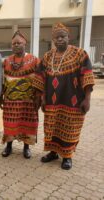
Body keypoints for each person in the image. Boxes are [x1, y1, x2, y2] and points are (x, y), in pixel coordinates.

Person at [35, 23, 94, 170]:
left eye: (63, 36)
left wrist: (87, 99)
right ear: (53, 39)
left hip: (73, 102)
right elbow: (40, 77)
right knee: (51, 127)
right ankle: (53, 152)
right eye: (57, 37)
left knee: (69, 128)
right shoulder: (48, 57)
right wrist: (42, 98)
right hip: (52, 102)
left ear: (69, 37)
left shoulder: (80, 54)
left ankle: (67, 156)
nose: (60, 39)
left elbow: (87, 76)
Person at [0, 30, 41, 159]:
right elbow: (3, 79)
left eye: (19, 43)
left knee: (27, 123)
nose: (16, 45)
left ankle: (26, 147)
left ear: (25, 43)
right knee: (10, 124)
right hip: (10, 100)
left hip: (28, 101)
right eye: (14, 43)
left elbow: (40, 80)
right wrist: (1, 96)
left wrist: (39, 98)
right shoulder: (7, 61)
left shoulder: (34, 60)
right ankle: (9, 146)